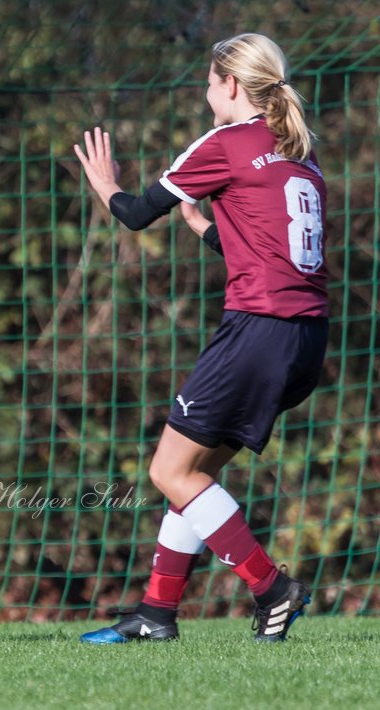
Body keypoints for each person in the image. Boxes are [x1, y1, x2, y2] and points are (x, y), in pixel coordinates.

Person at [73, 32, 328, 644]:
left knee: (170, 472)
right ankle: (156, 614)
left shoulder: (227, 142)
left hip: (258, 331)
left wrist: (104, 183)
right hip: (306, 339)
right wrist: (211, 234)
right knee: (194, 475)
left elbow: (136, 214)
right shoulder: (299, 149)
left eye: (210, 81)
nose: (206, 91)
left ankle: (272, 587)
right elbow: (281, 249)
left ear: (231, 86)